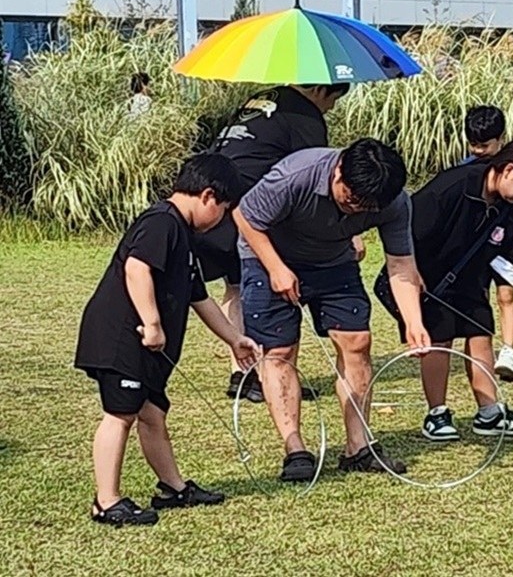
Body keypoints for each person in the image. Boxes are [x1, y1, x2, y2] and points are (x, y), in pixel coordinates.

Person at [74, 153, 260, 528]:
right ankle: (106, 501)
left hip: (144, 343)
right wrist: (153, 323)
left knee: (153, 412)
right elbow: (136, 267)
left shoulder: (184, 235)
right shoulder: (162, 222)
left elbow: (199, 297)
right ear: (208, 195)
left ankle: (173, 488)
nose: (223, 218)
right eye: (224, 209)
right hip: (123, 337)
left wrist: (234, 339)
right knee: (121, 414)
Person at [233, 138, 431, 482]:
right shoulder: (295, 175)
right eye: (352, 199)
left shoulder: (394, 201)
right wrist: (276, 268)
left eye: (368, 208)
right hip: (267, 256)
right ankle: (295, 448)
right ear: (339, 171)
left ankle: (358, 446)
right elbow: (245, 216)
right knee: (279, 349)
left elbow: (400, 263)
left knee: (357, 340)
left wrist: (414, 322)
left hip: (334, 261)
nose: (357, 209)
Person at [375, 137, 513, 442]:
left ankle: (489, 413)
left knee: (480, 333)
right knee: (438, 340)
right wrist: (411, 272)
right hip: (426, 278)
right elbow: (405, 230)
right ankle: (437, 414)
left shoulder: (507, 207)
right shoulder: (453, 186)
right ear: (509, 170)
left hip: (470, 278)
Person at [195, 83, 350, 404]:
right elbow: (319, 174)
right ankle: (265, 374)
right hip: (249, 208)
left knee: (236, 288)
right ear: (321, 90)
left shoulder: (262, 98)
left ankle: (244, 372)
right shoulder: (305, 117)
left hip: (215, 199)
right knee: (263, 288)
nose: (331, 108)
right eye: (333, 100)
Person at [458, 105, 513, 382]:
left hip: (503, 246)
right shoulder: (463, 172)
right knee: (475, 301)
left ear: (501, 140)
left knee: (506, 296)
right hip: (472, 250)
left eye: (485, 145)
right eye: (473, 144)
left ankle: (508, 352)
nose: (478, 150)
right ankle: (480, 353)